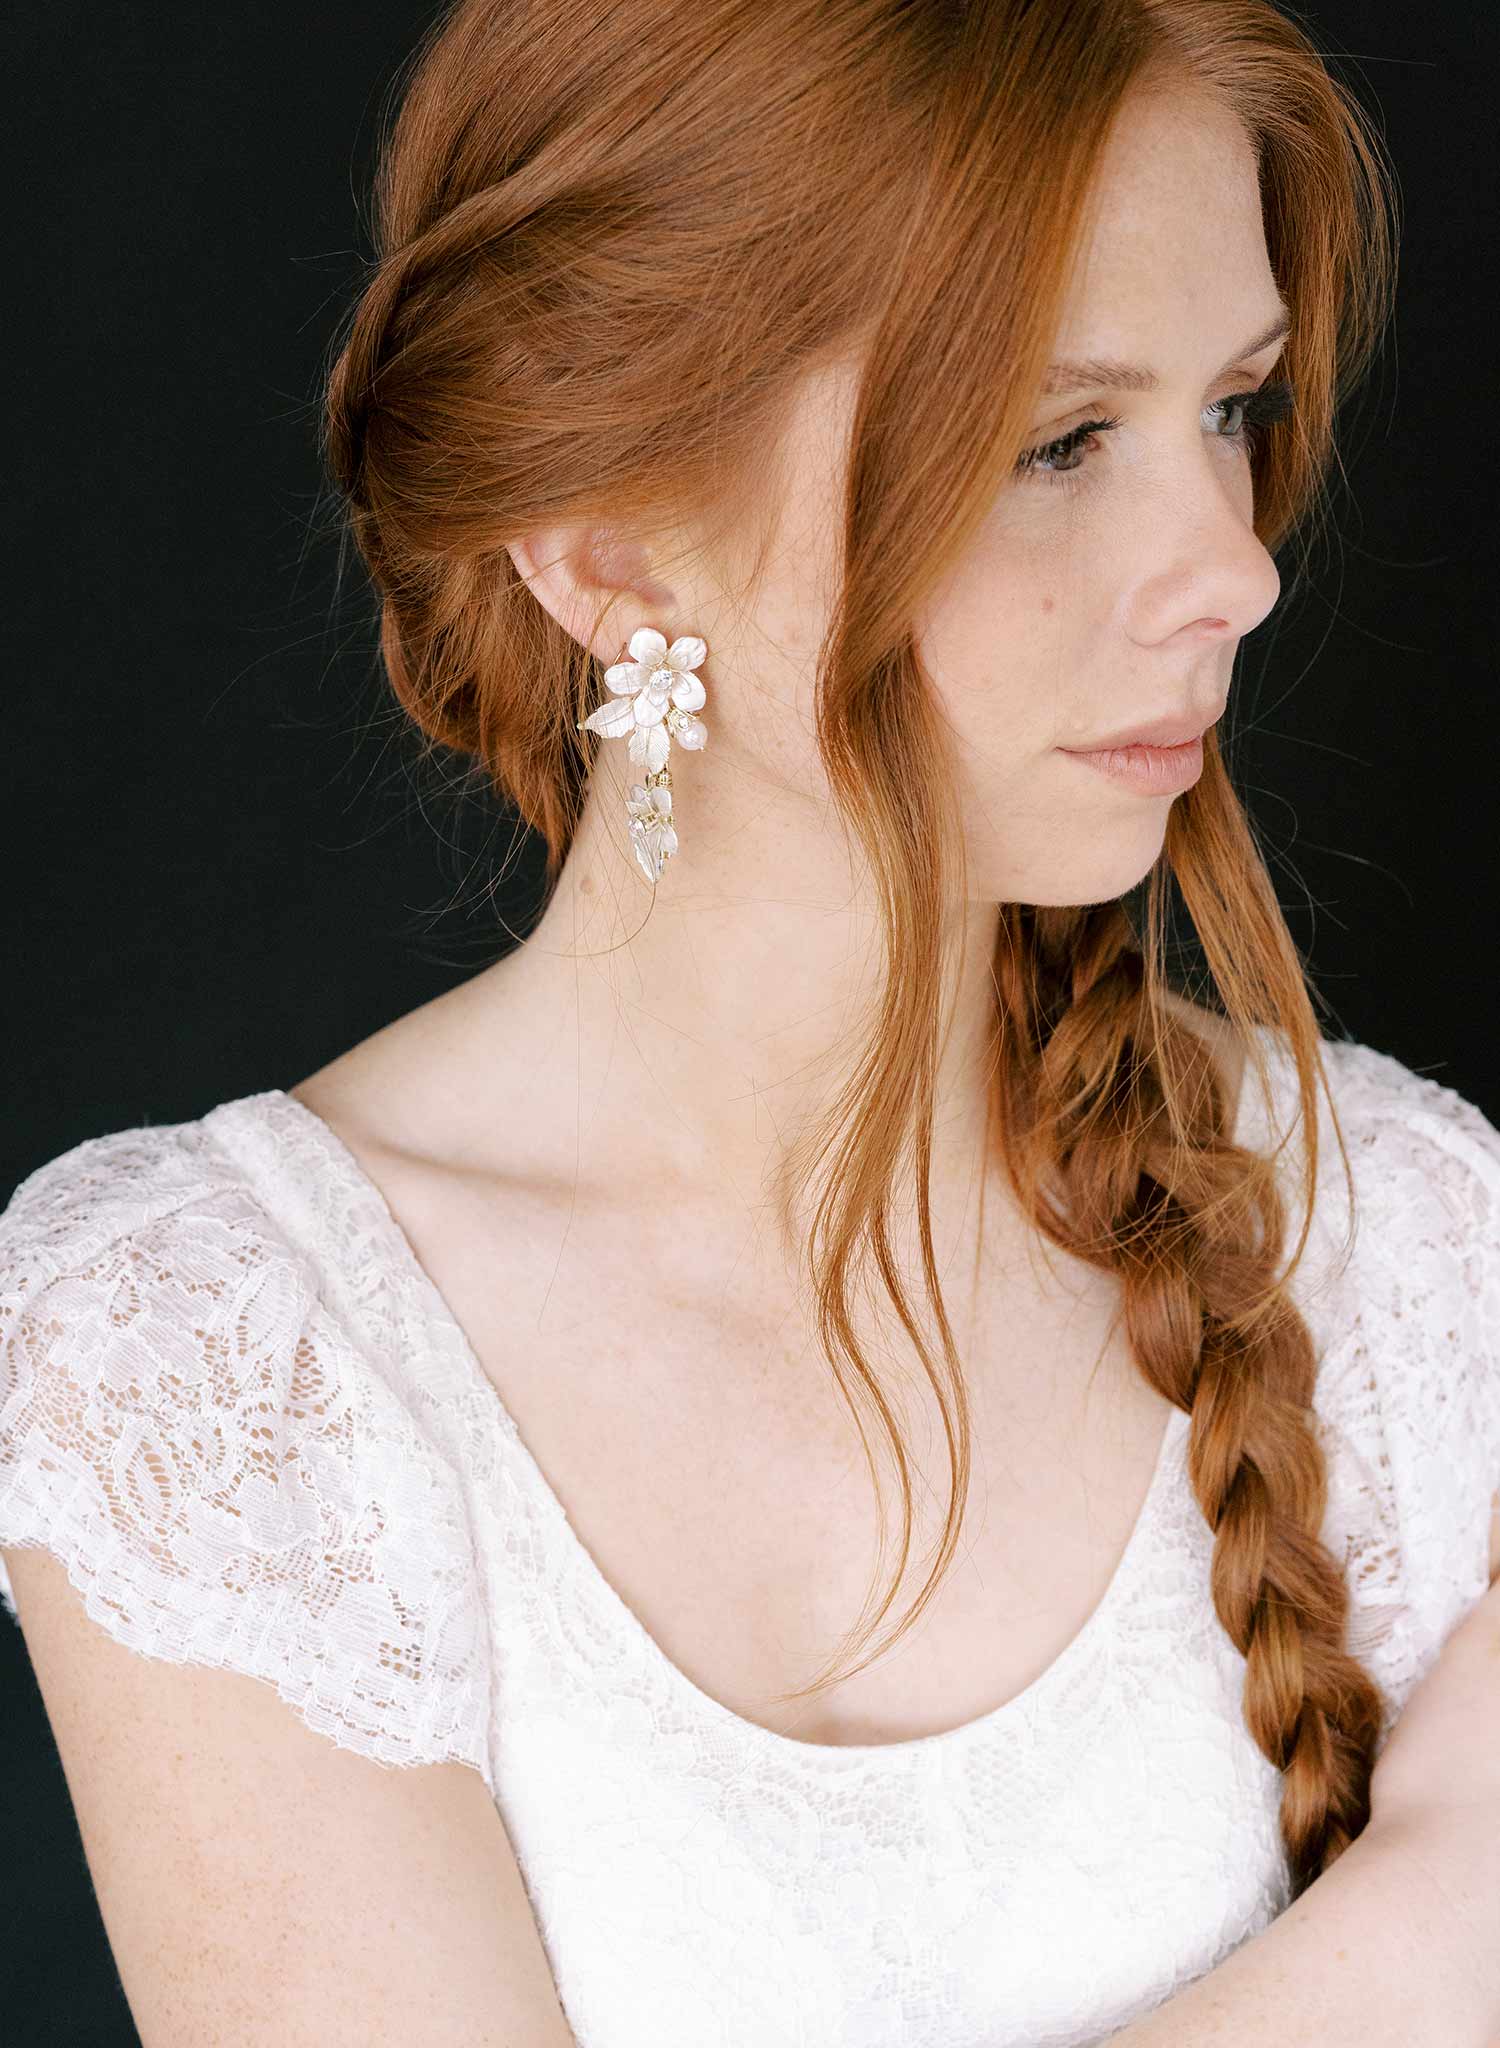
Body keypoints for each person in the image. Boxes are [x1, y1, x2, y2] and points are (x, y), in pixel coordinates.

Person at [3, 2, 1499, 2044]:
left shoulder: (1399, 1243)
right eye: (1057, 442)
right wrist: (1433, 1924)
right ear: (608, 543)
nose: (1231, 570)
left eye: (1232, 406)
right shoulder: (216, 1362)